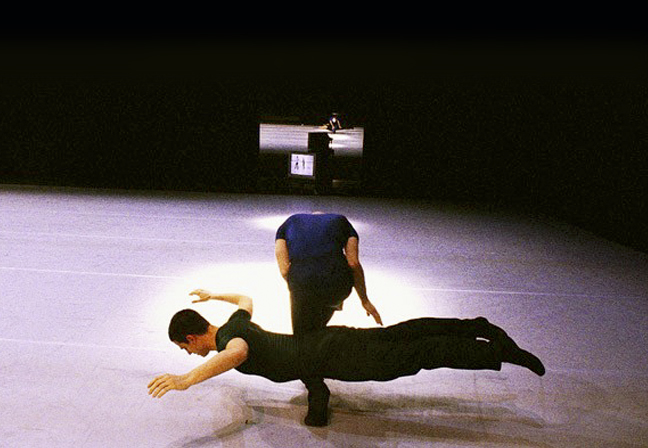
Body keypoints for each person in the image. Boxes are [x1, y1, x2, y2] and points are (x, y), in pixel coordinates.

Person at [148, 290, 546, 427]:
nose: (188, 353)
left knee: (417, 353)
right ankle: (476, 325)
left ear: (191, 337)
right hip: (327, 342)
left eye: (184, 347)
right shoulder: (234, 321)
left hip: (334, 356)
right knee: (404, 334)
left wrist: (186, 379)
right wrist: (213, 295)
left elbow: (236, 355)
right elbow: (245, 299)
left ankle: (497, 352)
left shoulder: (230, 341)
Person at [275, 212, 383, 424]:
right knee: (317, 325)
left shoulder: (287, 224)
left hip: (303, 285)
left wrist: (300, 291)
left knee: (303, 340)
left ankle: (317, 392)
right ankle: (323, 340)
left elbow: (285, 269)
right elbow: (353, 263)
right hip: (337, 286)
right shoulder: (342, 221)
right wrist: (364, 300)